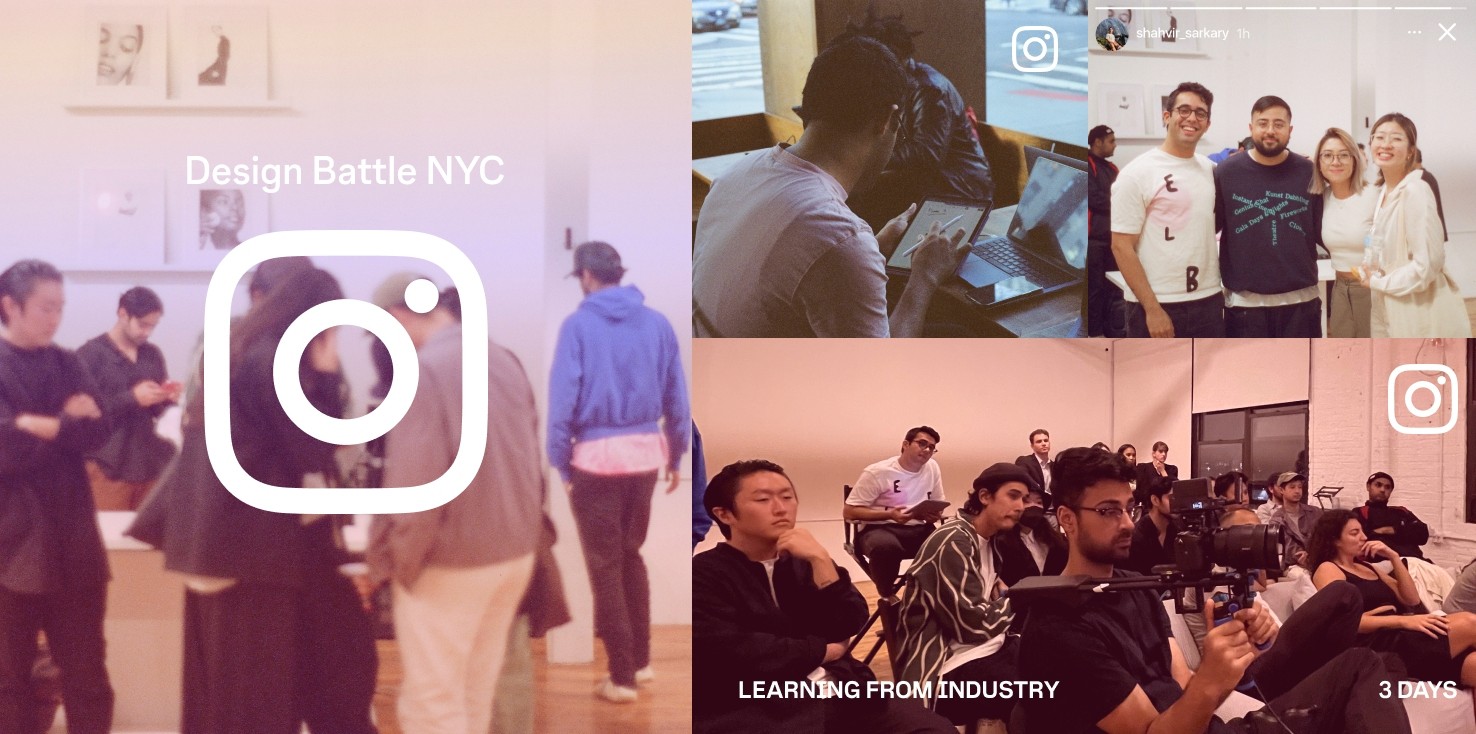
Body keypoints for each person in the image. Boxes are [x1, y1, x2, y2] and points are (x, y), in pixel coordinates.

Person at [130, 266, 376, 733]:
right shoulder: (274, 362)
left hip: (222, 544)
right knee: (257, 700)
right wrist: (324, 373)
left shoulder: (241, 349)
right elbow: (309, 448)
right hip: (251, 550)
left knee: (230, 694)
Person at [1019, 447, 1412, 734]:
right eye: (1108, 511)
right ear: (1067, 520)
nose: (1125, 523)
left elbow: (1185, 688)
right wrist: (1212, 679)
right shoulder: (1059, 625)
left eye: (1127, 508)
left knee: (1361, 664)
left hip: (1216, 726)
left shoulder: (1136, 589)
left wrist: (1227, 666)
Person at [692, 36, 969, 338]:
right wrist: (924, 277)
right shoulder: (839, 238)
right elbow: (879, 380)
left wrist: (871, 249)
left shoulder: (737, 173)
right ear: (886, 120)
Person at [367, 273, 543, 729]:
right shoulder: (500, 357)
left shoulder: (424, 370)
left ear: (396, 317)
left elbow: (416, 482)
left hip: (451, 559)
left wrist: (399, 559)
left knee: (432, 702)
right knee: (474, 693)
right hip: (513, 552)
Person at [693, 460, 953, 734]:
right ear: (724, 515)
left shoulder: (805, 560)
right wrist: (824, 650)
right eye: (762, 499)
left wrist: (820, 559)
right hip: (759, 705)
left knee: (934, 729)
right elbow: (735, 651)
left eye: (787, 496)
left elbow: (850, 620)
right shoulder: (704, 575)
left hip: (841, 689)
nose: (781, 508)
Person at [549, 241, 690, 701]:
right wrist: (675, 454)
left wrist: (559, 459)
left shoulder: (578, 325)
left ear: (587, 276)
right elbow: (677, 398)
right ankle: (642, 664)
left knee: (604, 567)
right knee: (631, 556)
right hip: (646, 454)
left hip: (594, 460)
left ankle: (622, 678)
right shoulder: (657, 323)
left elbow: (562, 401)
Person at [0, 260, 114, 734]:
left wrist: (32, 423)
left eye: (60, 308)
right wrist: (65, 421)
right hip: (10, 549)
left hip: (76, 547)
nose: (55, 318)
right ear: (10, 306)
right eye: (46, 307)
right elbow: (6, 452)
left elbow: (99, 432)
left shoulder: (69, 361)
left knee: (88, 679)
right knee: (9, 682)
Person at [895, 463, 1026, 725]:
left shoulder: (990, 541)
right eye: (1013, 496)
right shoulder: (953, 540)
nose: (1021, 506)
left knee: (1061, 665)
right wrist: (1019, 600)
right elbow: (972, 626)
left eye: (1024, 498)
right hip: (941, 671)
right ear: (985, 497)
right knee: (1039, 691)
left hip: (985, 649)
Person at [838, 11, 994, 230]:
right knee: (856, 194)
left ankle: (867, 254)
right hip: (926, 182)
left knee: (861, 197)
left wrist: (865, 157)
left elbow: (926, 153)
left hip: (960, 187)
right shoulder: (894, 84)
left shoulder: (929, 88)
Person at [1307, 510, 1476, 684]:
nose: (1364, 537)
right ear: (1335, 540)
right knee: (1470, 623)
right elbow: (1342, 622)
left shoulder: (1368, 567)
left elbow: (1412, 599)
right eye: (1354, 533)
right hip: (1379, 643)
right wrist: (1402, 621)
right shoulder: (1328, 568)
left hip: (1402, 632)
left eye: (1362, 531)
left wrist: (1393, 557)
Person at [1112, 82, 1223, 338]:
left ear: (1207, 123)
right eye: (1183, 110)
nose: (1192, 118)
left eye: (1200, 113)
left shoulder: (1211, 170)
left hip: (1207, 298)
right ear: (1167, 116)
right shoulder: (1137, 173)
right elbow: (1121, 246)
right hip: (1156, 303)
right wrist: (1152, 309)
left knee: (1205, 377)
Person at [1214, 96, 1323, 338]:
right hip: (1245, 306)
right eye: (1263, 123)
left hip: (1301, 303)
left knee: (1302, 375)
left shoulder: (1309, 172)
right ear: (1251, 128)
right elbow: (1210, 228)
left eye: (1279, 124)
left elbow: (1322, 231)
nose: (1270, 131)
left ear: (1290, 130)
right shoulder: (1226, 173)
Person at [1359, 113, 1471, 337]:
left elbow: (1426, 266)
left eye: (1396, 138)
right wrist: (1370, 264)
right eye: (1379, 137)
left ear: (1411, 150)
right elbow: (1380, 242)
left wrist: (1379, 282)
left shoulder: (1416, 191)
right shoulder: (1384, 192)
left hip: (1415, 308)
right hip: (1387, 304)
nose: (1386, 144)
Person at [76, 286, 178, 511]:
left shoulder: (151, 354)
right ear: (123, 314)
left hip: (149, 461)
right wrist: (132, 398)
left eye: (153, 326)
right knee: (109, 539)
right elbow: (81, 414)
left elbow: (158, 411)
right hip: (107, 464)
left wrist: (166, 398)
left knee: (152, 539)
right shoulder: (89, 355)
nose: (147, 332)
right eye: (143, 324)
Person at [843, 426, 946, 596]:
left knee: (951, 542)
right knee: (886, 548)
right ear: (905, 444)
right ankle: (887, 596)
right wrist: (890, 514)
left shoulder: (932, 467)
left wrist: (933, 515)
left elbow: (937, 502)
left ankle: (934, 596)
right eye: (922, 444)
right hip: (878, 528)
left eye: (931, 447)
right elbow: (849, 512)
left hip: (918, 528)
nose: (927, 450)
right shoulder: (878, 472)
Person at [1312, 127, 1378, 337]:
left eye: (1343, 155)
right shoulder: (1321, 199)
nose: (1335, 162)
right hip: (1339, 287)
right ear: (1319, 163)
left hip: (1373, 290)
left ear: (1354, 160)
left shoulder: (1374, 196)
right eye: (1328, 156)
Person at [996, 480, 1067, 586]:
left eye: (1039, 502)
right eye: (1027, 501)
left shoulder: (1056, 541)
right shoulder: (1001, 542)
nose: (1034, 506)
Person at [1088, 124, 1123, 336]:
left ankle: (1113, 331)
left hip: (1113, 240)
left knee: (1113, 288)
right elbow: (1094, 198)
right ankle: (1094, 333)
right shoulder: (1088, 165)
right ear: (1098, 142)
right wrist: (1117, 203)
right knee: (1095, 289)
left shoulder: (1112, 169)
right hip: (1094, 241)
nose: (1115, 145)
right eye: (1111, 141)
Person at [1357, 471, 1429, 560]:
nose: (1382, 490)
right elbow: (1365, 537)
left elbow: (1423, 534)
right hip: (1383, 563)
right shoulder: (1360, 512)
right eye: (1378, 485)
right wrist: (1405, 533)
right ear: (1368, 487)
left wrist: (1391, 530)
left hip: (1416, 560)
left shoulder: (1401, 511)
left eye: (1387, 487)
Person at [1267, 471, 1321, 569]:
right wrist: (1301, 556)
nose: (1297, 491)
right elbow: (1283, 549)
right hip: (1293, 567)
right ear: (1281, 490)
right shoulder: (1277, 520)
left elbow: (1326, 537)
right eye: (1292, 487)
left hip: (1318, 561)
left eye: (1299, 487)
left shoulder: (1315, 512)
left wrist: (1311, 555)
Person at [1126, 474, 1178, 574]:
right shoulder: (1137, 536)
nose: (1177, 503)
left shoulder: (1177, 529)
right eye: (1172, 498)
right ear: (1155, 500)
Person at [1013, 429, 1054, 508]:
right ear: (1032, 446)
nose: (1043, 444)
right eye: (1039, 441)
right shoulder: (1025, 461)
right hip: (1034, 507)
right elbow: (1024, 479)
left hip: (1054, 510)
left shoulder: (1055, 466)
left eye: (1046, 441)